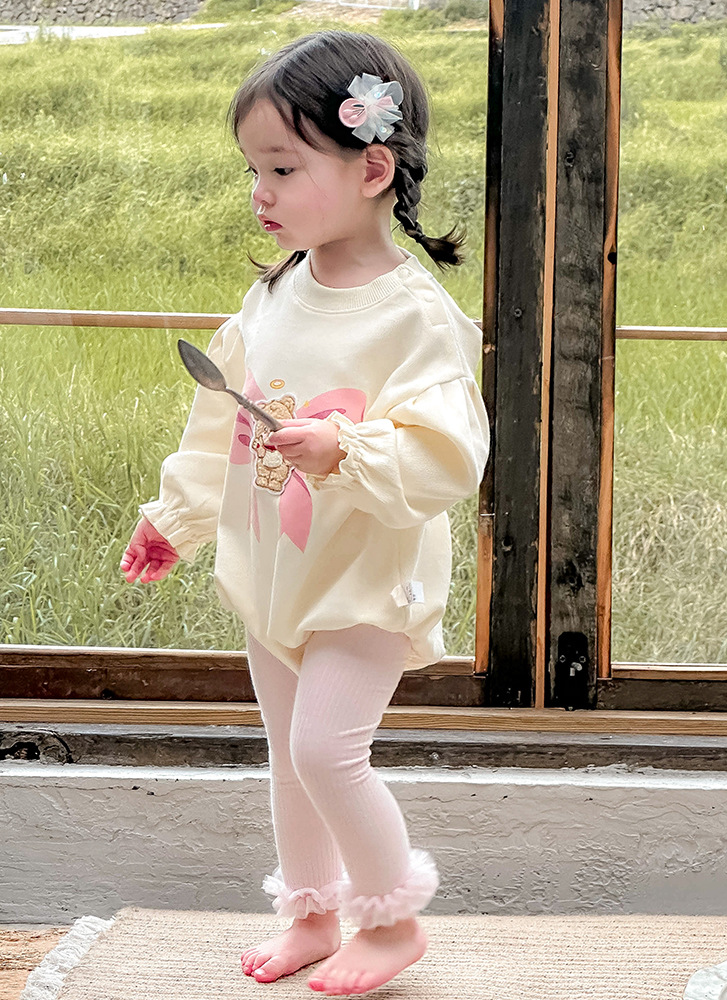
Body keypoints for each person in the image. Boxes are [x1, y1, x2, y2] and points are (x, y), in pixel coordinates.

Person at [120, 30, 490, 995]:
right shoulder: (274, 294)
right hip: (274, 566)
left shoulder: (414, 317)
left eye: (283, 167)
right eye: (253, 169)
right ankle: (315, 914)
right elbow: (220, 423)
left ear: (373, 166)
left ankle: (392, 921)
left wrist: (348, 449)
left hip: (364, 576)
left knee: (329, 751)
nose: (261, 192)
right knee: (288, 757)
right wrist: (179, 516)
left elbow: (451, 455)